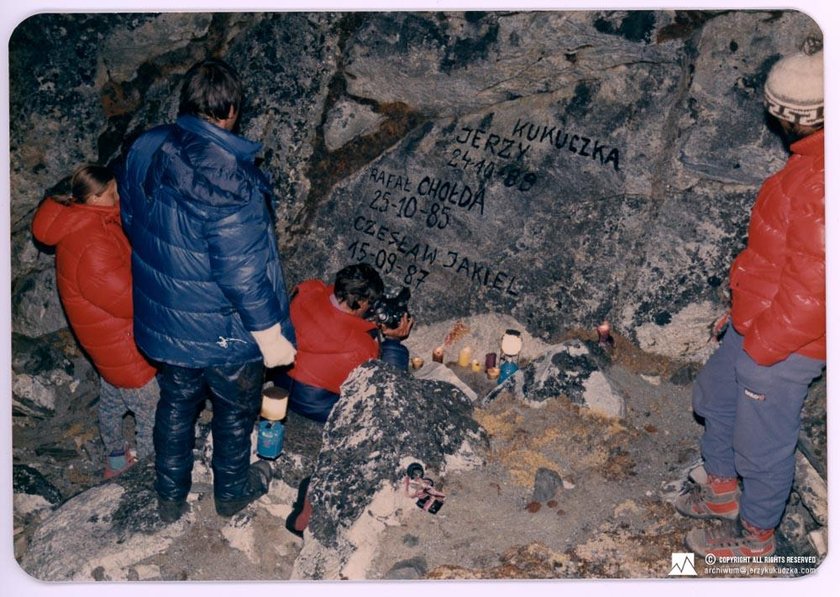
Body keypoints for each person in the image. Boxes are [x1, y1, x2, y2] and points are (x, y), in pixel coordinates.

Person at [118, 58, 296, 522]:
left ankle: (170, 496)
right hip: (224, 330)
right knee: (234, 414)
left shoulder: (146, 146)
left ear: (188, 101)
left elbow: (133, 220)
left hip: (167, 317)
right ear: (233, 108)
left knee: (176, 403)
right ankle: (232, 491)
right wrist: (272, 338)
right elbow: (243, 275)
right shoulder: (232, 182)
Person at [675, 39, 824, 558]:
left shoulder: (823, 181)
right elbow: (783, 256)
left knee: (761, 442)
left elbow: (817, 290)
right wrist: (742, 308)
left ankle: (757, 538)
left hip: (792, 338)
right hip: (765, 318)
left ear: (792, 119)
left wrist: (762, 346)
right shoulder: (810, 163)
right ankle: (721, 496)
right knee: (713, 397)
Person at [32, 164, 159, 480]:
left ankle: (116, 461)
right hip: (122, 344)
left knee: (113, 401)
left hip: (105, 342)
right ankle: (144, 474)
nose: (118, 197)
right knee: (151, 409)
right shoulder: (91, 242)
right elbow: (129, 301)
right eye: (111, 193)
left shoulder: (83, 221)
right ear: (89, 198)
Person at [277, 262, 413, 424]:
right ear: (362, 303)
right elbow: (390, 382)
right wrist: (393, 342)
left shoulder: (307, 291)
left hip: (280, 381)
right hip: (315, 403)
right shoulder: (360, 346)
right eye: (370, 303)